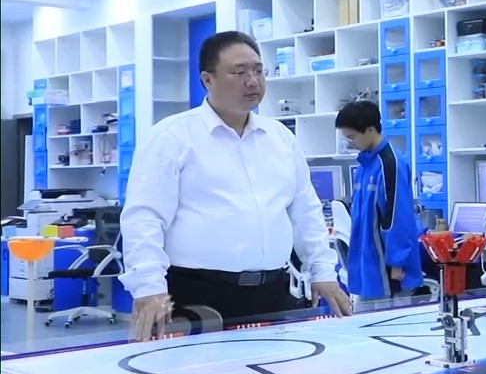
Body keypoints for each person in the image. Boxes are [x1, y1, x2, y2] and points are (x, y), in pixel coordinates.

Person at [120, 31, 352, 341]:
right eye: (239, 72)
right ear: (208, 79)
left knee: (275, 371)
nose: (253, 81)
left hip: (272, 293)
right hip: (197, 296)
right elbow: (144, 217)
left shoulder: (280, 138)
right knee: (199, 373)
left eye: (258, 71)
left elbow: (305, 212)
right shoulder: (172, 137)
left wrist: (323, 271)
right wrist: (148, 287)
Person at [335, 99, 424, 300]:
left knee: (388, 318)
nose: (350, 143)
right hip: (367, 265)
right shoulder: (364, 167)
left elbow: (397, 218)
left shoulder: (390, 165)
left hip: (387, 267)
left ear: (370, 130)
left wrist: (398, 262)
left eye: (352, 137)